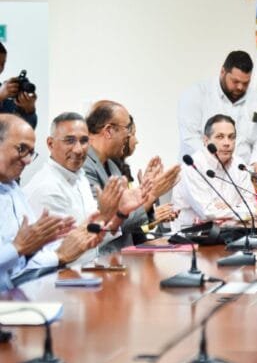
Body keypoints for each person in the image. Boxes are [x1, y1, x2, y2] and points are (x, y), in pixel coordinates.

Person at [23, 112, 147, 265]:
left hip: (88, 270)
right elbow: (62, 254)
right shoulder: (46, 187)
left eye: (84, 141)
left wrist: (120, 213)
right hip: (62, 276)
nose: (78, 149)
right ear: (50, 144)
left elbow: (94, 239)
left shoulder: (79, 176)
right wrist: (105, 216)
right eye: (69, 141)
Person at [0, 114, 102, 291]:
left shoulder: (13, 190)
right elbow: (17, 258)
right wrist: (18, 248)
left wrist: (47, 249)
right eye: (21, 149)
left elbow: (21, 268)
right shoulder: (44, 185)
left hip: (21, 294)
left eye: (31, 153)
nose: (27, 161)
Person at [83, 100, 179, 246]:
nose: (130, 136)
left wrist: (144, 192)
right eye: (128, 129)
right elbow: (104, 226)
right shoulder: (84, 166)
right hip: (101, 257)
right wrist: (150, 195)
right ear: (109, 131)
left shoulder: (112, 166)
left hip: (126, 253)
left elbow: (128, 222)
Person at [178, 50, 257, 177]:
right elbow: (190, 139)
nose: (240, 87)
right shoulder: (196, 95)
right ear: (223, 72)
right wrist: (220, 164)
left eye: (245, 83)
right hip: (201, 175)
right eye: (235, 81)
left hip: (242, 177)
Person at [172, 114, 257, 231]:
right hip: (193, 236)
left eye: (231, 137)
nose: (227, 143)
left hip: (233, 231)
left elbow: (251, 203)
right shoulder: (193, 166)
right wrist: (242, 210)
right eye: (220, 137)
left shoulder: (239, 164)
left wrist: (229, 208)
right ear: (206, 140)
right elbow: (208, 213)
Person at [0, 42, 37, 128]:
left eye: (3, 63)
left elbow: (26, 129)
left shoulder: (7, 96)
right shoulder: (3, 93)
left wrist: (29, 109)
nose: (0, 68)